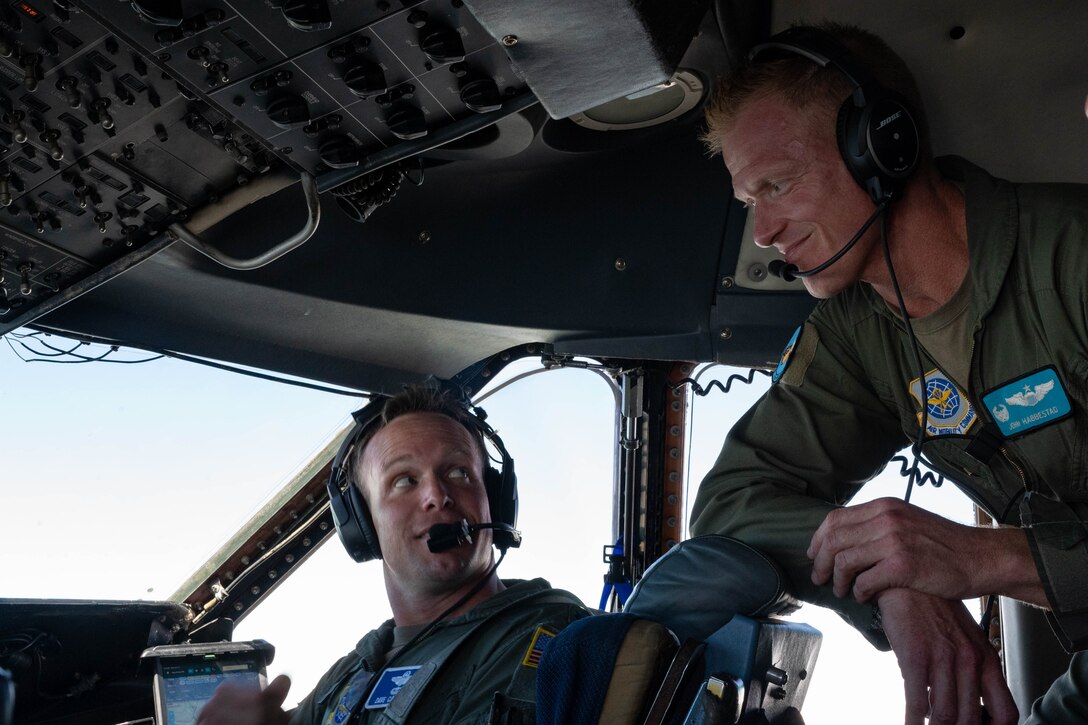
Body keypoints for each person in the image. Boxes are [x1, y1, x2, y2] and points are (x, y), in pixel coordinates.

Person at [689, 21, 1088, 725]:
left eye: (776, 185)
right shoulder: (855, 335)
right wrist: (888, 580)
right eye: (750, 202)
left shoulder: (1074, 255)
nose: (764, 232)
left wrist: (982, 558)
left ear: (881, 146)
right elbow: (732, 503)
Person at [197, 387, 591, 724]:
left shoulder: (549, 636)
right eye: (405, 480)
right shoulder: (356, 667)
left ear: (495, 502)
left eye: (458, 473)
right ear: (364, 526)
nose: (437, 495)